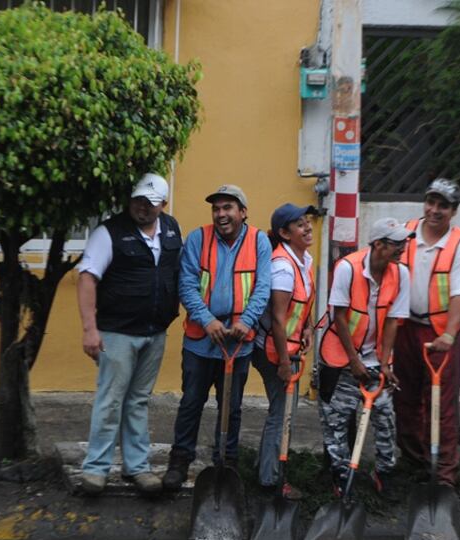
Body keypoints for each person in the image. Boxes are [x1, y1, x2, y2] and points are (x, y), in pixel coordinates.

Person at [76, 173, 182, 496]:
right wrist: (89, 329)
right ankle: (96, 469)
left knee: (137, 401)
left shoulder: (172, 229)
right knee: (111, 400)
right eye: (138, 201)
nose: (142, 208)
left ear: (163, 205)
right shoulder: (109, 233)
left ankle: (137, 467)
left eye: (150, 203)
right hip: (116, 333)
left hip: (155, 332)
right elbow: (87, 278)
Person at [162, 185, 272, 490]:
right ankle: (179, 461)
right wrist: (207, 319)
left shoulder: (259, 241)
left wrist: (247, 321)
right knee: (191, 402)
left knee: (232, 407)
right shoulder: (198, 238)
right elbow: (186, 284)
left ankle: (226, 461)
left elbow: (263, 287)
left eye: (228, 207)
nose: (221, 214)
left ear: (243, 212)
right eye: (216, 208)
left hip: (238, 343)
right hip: (200, 340)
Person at [393, 178, 460, 487]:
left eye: (443, 205)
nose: (434, 210)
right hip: (406, 328)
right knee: (405, 398)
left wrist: (450, 336)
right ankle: (413, 461)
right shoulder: (407, 231)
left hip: (441, 332)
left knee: (441, 405)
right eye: (431, 202)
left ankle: (443, 474)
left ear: (453, 211)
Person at [318, 217, 410, 495]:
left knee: (385, 416)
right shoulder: (348, 268)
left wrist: (384, 363)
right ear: (378, 245)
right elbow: (340, 318)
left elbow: (393, 320)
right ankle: (341, 476)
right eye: (397, 243)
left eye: (404, 242)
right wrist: (354, 362)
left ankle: (384, 472)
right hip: (341, 358)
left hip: (374, 360)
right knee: (336, 420)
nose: (402, 248)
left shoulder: (400, 274)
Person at [251, 203, 317, 497]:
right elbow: (278, 319)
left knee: (281, 412)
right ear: (284, 233)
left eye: (307, 222)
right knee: (282, 414)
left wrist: (308, 327)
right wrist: (282, 363)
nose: (307, 227)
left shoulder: (305, 260)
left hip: (290, 349)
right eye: (300, 224)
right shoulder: (282, 267)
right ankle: (270, 481)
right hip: (272, 350)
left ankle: (265, 468)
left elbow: (302, 303)